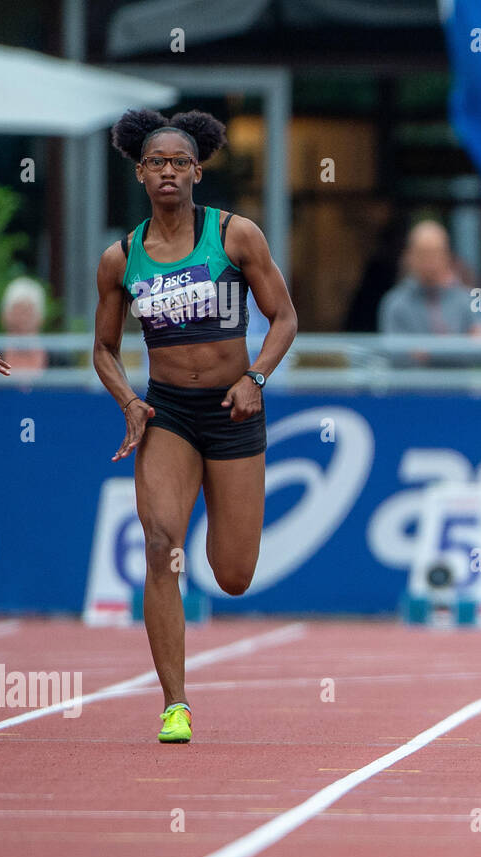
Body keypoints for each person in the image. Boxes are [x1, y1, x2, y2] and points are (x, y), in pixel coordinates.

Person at [93, 109, 298, 744]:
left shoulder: (236, 236)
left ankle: (219, 533)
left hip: (233, 413)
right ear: (140, 173)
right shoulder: (121, 258)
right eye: (157, 163)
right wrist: (128, 399)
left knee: (233, 575)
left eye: (180, 163)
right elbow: (102, 348)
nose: (169, 173)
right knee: (159, 545)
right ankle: (174, 703)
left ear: (197, 171)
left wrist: (255, 378)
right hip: (168, 416)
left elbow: (285, 318)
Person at [377, 220, 481, 363]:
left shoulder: (473, 296)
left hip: (460, 383)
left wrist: (430, 351)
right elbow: (396, 355)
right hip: (413, 384)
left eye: (435, 252)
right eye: (423, 253)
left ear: (447, 255)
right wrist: (459, 346)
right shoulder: (394, 302)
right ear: (410, 256)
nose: (429, 260)